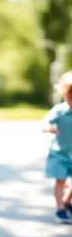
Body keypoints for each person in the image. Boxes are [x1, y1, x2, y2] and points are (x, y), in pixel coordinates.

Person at [42, 71, 72, 224]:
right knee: (60, 181)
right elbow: (46, 121)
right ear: (64, 95)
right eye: (70, 98)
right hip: (59, 153)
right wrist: (49, 128)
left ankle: (67, 201)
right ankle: (60, 208)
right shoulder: (60, 110)